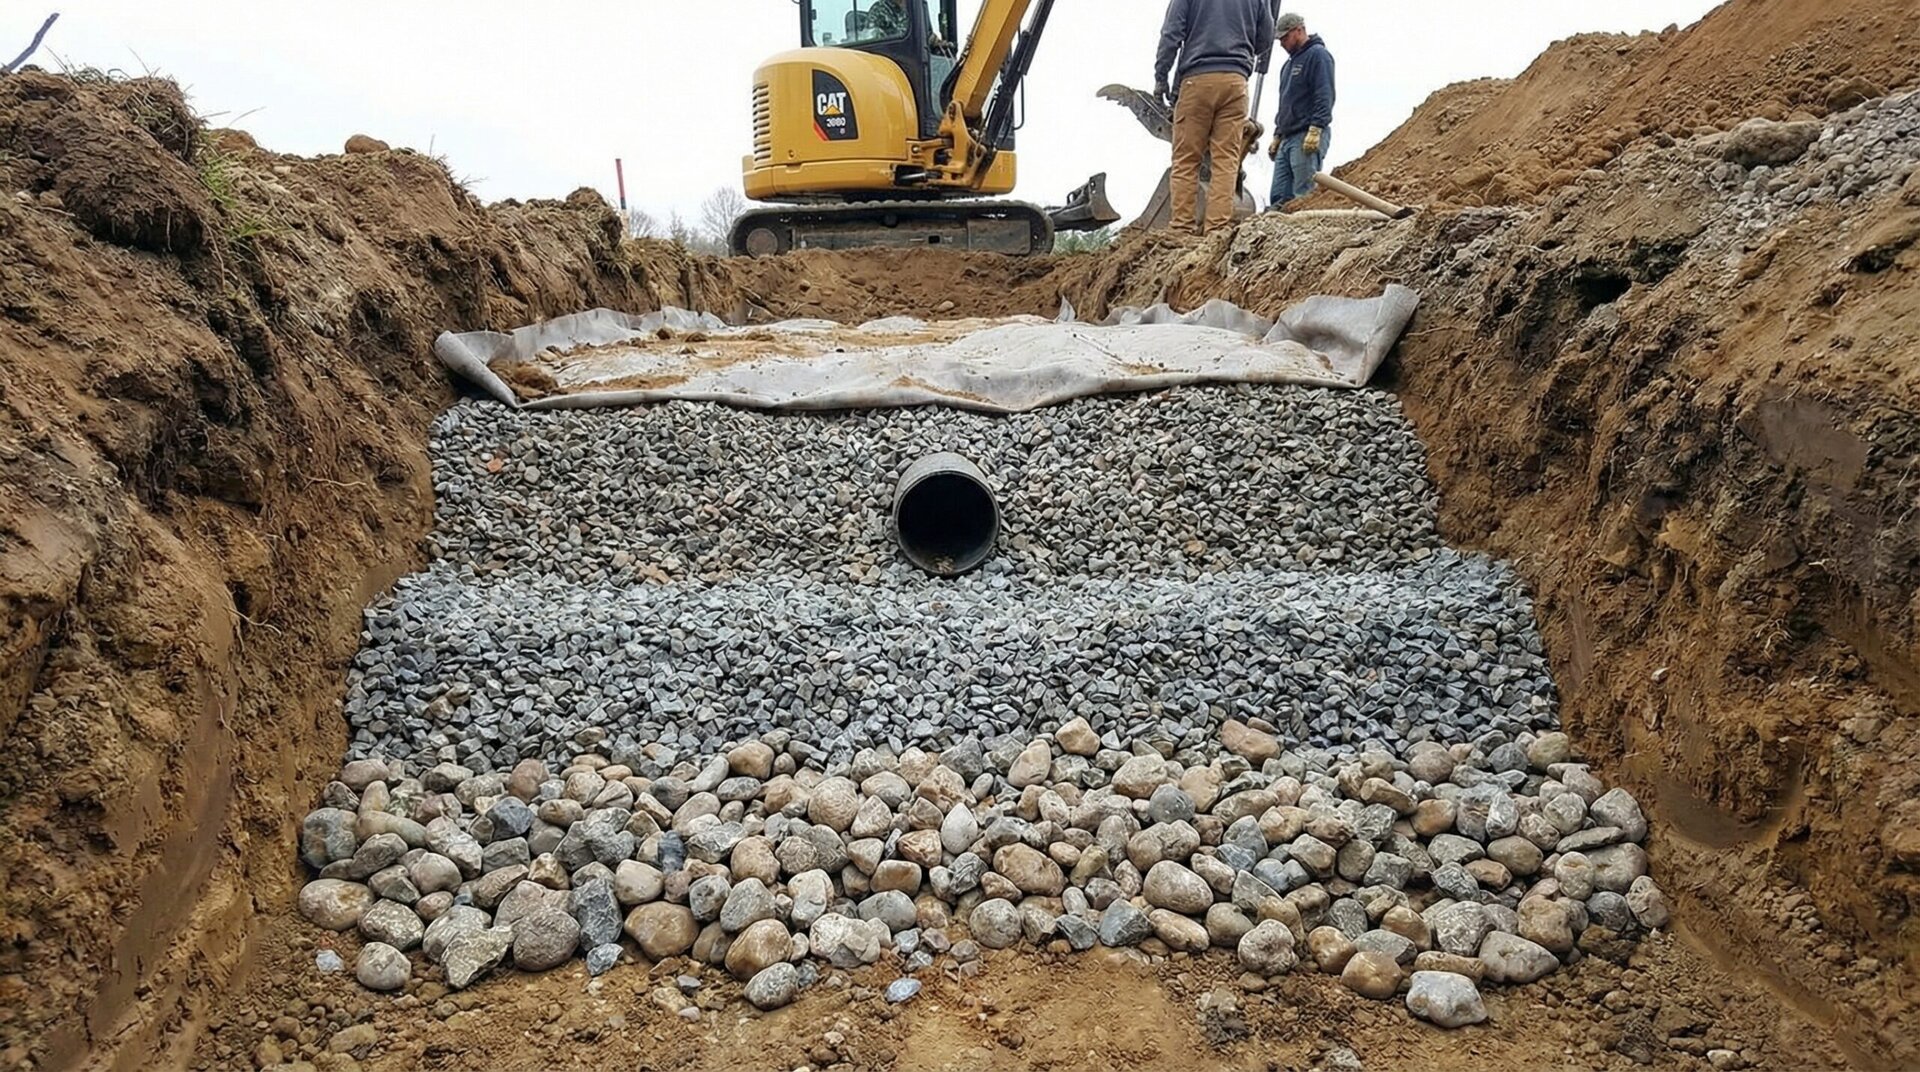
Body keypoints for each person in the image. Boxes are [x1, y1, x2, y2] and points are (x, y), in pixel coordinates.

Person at [1154, 0, 1276, 235]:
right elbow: (1265, 38)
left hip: (1197, 79)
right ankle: (1217, 230)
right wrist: (1240, 50)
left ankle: (1181, 228)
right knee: (1226, 159)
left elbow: (1171, 34)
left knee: (1187, 159)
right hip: (1236, 82)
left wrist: (1161, 76)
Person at [1266, 13, 1335, 209]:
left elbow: (1324, 94)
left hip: (1306, 133)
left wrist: (1316, 128)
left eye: (1284, 37)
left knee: (1303, 194)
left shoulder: (1318, 56)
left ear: (1299, 30)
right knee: (1279, 195)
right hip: (1288, 136)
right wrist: (1278, 135)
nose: (1281, 43)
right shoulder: (1288, 66)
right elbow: (1286, 103)